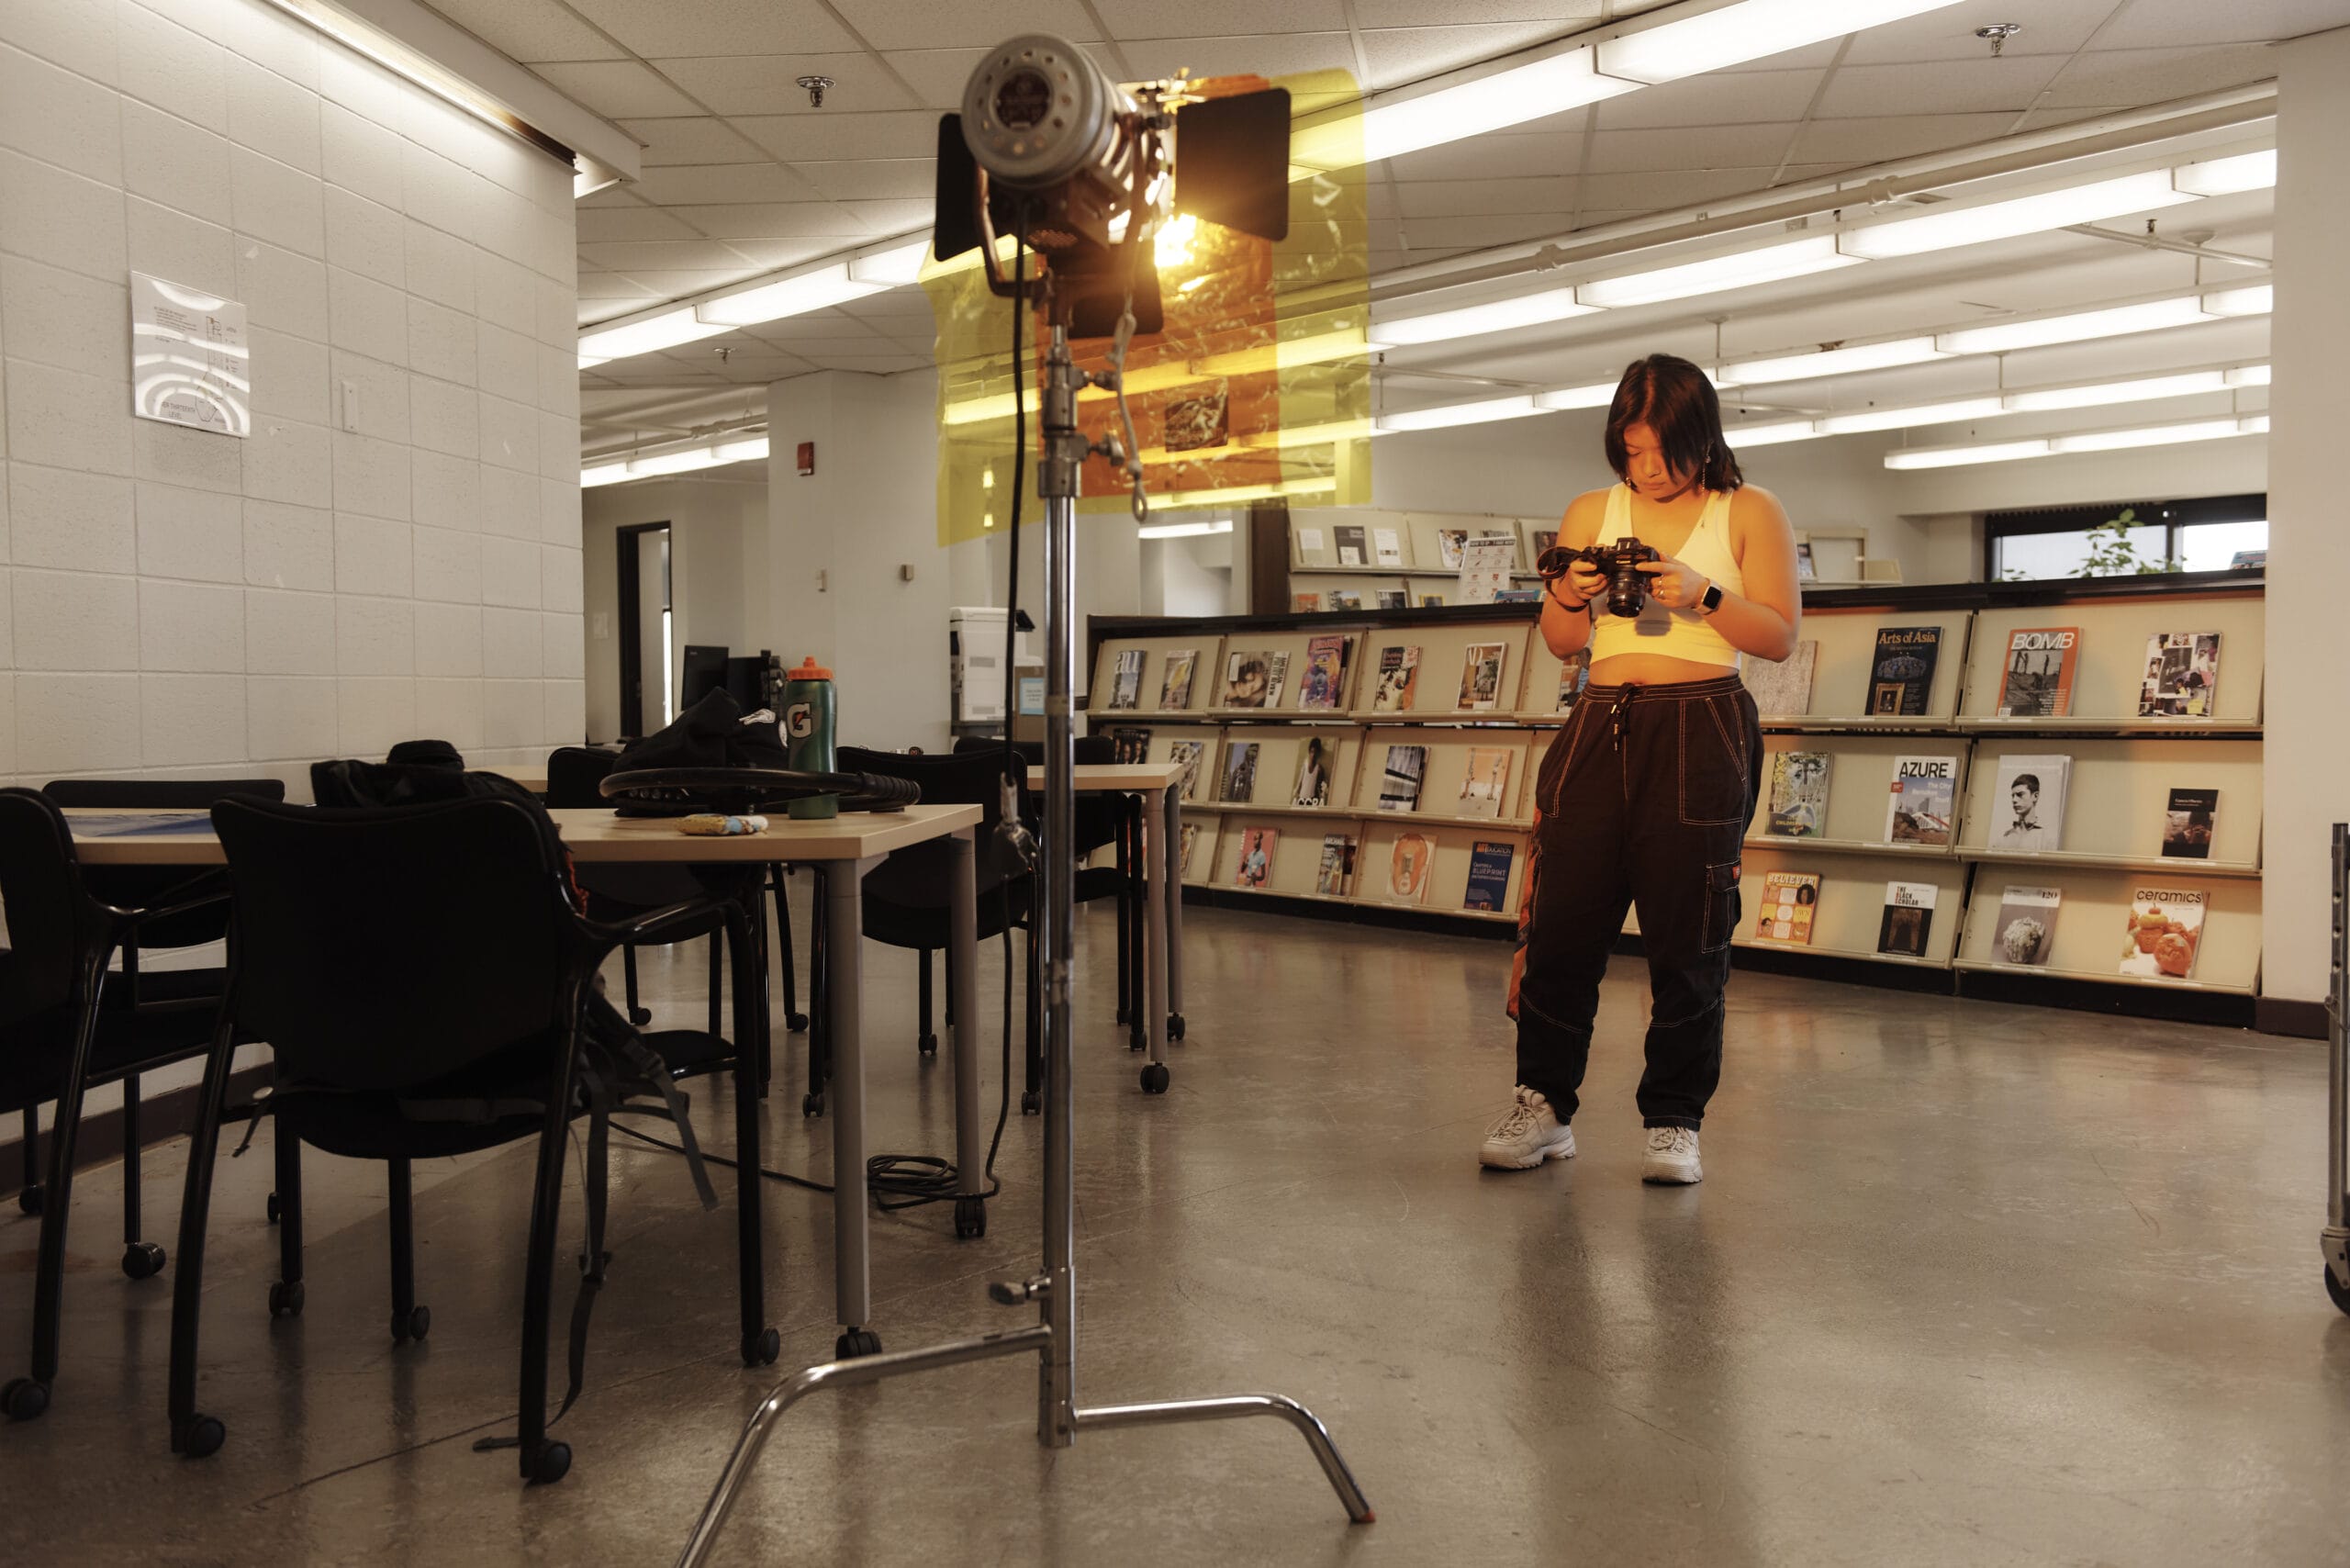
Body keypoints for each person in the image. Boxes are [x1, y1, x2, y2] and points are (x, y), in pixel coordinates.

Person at [1480, 353, 1799, 1186]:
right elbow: (1561, 643)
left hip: (1702, 723)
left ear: (1702, 437)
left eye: (1662, 450)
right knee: (1562, 925)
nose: (1646, 470)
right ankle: (1543, 1104)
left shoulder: (1748, 510)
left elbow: (1778, 636)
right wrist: (1572, 592)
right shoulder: (1594, 508)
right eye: (1631, 450)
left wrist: (1701, 595)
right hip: (1598, 719)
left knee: (1687, 934)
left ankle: (1673, 1120)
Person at [1993, 774, 2048, 850]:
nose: (2014, 800)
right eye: (2013, 796)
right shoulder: (2005, 836)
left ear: (2035, 796)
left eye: (2020, 795)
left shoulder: (2045, 837)